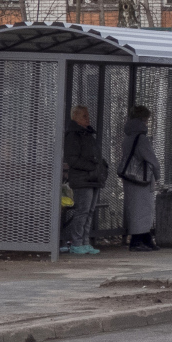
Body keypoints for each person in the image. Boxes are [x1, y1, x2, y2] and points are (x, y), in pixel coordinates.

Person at [62, 105, 107, 255]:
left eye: (87, 116)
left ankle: (85, 241)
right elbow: (73, 159)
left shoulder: (87, 134)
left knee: (90, 211)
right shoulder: (73, 135)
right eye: (84, 116)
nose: (88, 119)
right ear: (75, 117)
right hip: (82, 178)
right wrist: (92, 167)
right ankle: (76, 242)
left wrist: (101, 166)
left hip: (92, 177)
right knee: (83, 211)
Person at [120, 104, 161, 252]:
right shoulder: (141, 138)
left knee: (135, 208)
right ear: (142, 120)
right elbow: (151, 159)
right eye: (146, 120)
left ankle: (145, 238)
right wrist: (158, 175)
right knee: (144, 209)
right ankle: (137, 241)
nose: (147, 123)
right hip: (141, 178)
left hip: (129, 177)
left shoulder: (128, 137)